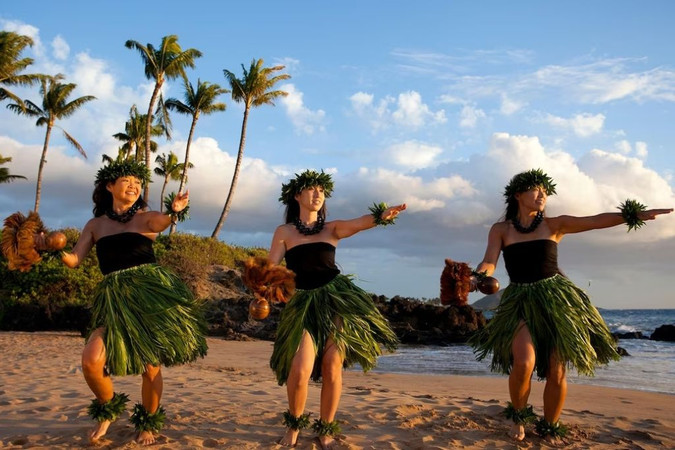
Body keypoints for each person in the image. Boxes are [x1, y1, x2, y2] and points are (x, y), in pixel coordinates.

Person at [469, 168, 672, 442]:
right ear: (518, 194)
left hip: (556, 300)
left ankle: (550, 425)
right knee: (524, 362)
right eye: (535, 189)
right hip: (520, 300)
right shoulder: (501, 230)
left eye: (545, 190)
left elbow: (595, 220)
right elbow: (490, 260)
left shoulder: (555, 225)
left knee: (557, 368)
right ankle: (518, 416)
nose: (542, 194)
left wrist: (633, 215)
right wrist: (478, 275)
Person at [59, 159, 208, 445]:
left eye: (138, 184)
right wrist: (52, 249)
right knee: (91, 360)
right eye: (127, 181)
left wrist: (174, 211)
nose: (134, 186)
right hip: (113, 299)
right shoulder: (96, 225)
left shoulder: (145, 218)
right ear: (109, 186)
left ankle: (148, 423)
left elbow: (161, 223)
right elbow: (74, 260)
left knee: (150, 366)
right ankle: (108, 407)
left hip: (147, 295)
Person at [266, 170, 405, 449]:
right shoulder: (284, 233)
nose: (317, 194)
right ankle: (294, 425)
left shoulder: (333, 228)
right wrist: (262, 295)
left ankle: (326, 428)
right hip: (303, 304)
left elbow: (360, 223)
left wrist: (381, 217)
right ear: (297, 196)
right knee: (300, 368)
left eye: (321, 190)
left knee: (332, 366)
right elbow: (271, 269)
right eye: (311, 189)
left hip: (335, 301)